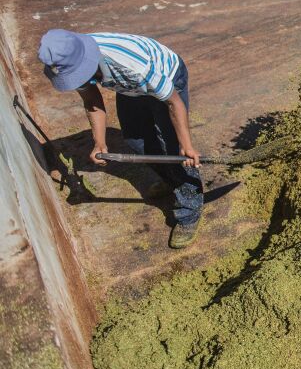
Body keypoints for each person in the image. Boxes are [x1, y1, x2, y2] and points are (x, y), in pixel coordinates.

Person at [38, 29, 203, 248]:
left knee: (174, 150)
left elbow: (174, 103)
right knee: (136, 140)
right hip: (130, 89)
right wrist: (99, 141)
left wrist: (186, 146)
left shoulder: (134, 67)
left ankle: (189, 210)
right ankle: (173, 182)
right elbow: (91, 99)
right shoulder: (72, 57)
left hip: (166, 78)